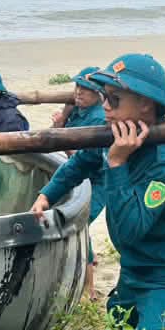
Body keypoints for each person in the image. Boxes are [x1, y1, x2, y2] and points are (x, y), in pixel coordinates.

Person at [31, 54, 165, 330]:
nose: (106, 107)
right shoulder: (111, 136)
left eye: (114, 100)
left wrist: (118, 165)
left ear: (145, 105)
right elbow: (80, 164)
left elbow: (129, 230)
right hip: (136, 270)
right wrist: (47, 195)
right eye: (104, 99)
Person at [43, 67, 108, 296]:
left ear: (99, 94)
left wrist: (68, 147)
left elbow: (89, 161)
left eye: (86, 89)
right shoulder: (76, 111)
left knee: (80, 224)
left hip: (97, 182)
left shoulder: (99, 118)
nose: (79, 92)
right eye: (78, 86)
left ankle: (89, 288)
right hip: (73, 176)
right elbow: (52, 140)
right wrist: (59, 124)